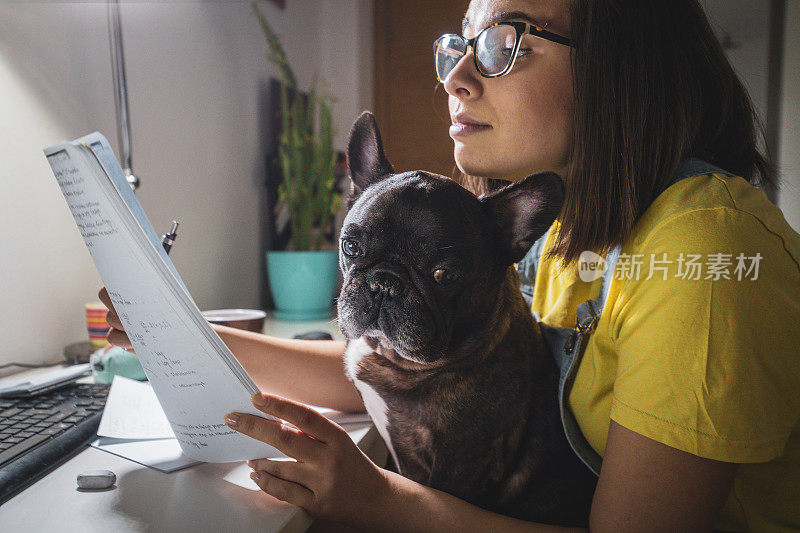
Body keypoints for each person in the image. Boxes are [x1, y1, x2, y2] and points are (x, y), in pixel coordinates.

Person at [100, 0, 800, 530]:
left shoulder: (701, 255)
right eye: (459, 45)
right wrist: (175, 332)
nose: (457, 76)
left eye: (503, 45)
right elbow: (390, 373)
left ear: (623, 62)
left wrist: (377, 497)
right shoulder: (573, 229)